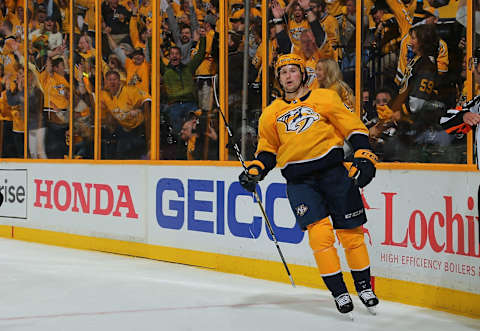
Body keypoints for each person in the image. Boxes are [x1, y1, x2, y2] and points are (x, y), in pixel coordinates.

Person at [238, 54, 379, 316]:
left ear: (303, 74)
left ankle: (363, 286)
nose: (288, 76)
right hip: (299, 182)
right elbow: (267, 151)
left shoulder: (325, 98)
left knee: (351, 234)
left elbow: (353, 127)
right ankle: (339, 292)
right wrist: (255, 171)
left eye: (293, 71)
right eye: (283, 73)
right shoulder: (270, 114)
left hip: (334, 173)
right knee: (320, 236)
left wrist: (365, 155)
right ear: (278, 78)